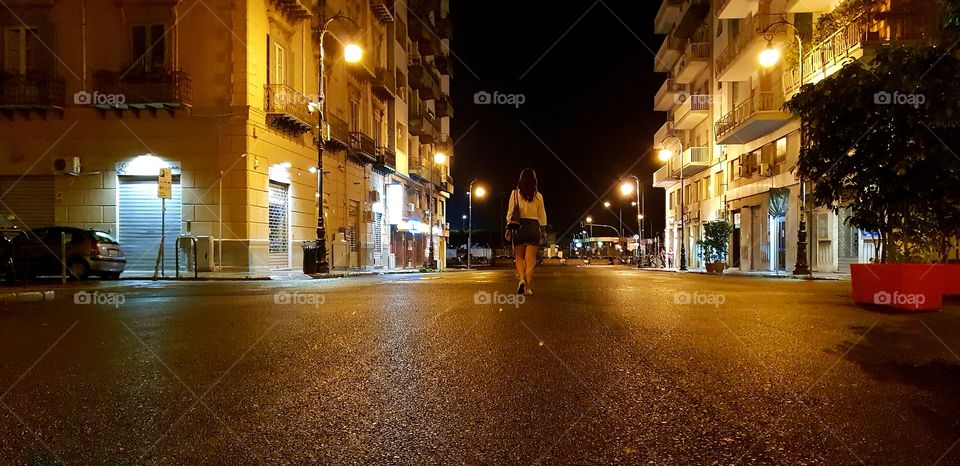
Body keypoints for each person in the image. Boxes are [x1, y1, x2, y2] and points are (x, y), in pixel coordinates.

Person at [505, 168, 547, 295]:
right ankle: (528, 287)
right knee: (530, 259)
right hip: (533, 227)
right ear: (534, 181)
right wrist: (543, 230)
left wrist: (507, 228)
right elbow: (542, 216)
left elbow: (510, 213)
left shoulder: (514, 194)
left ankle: (521, 280)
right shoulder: (538, 196)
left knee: (518, 257)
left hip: (519, 227)